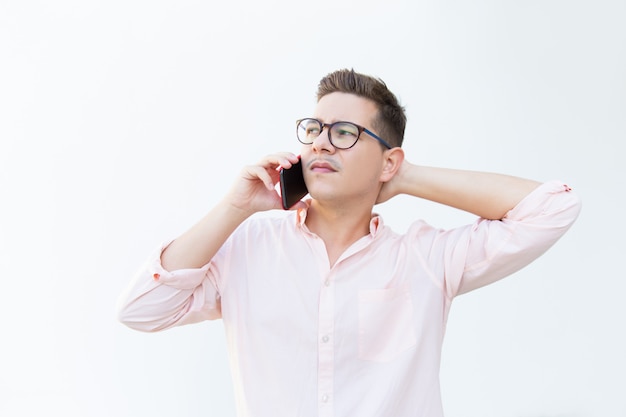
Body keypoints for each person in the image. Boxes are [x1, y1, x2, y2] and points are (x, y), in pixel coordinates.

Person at [117, 68, 581, 417]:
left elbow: (553, 208)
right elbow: (141, 309)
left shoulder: (425, 258)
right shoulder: (250, 246)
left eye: (345, 133)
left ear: (388, 161)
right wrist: (235, 208)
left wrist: (405, 178)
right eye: (315, 130)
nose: (321, 144)